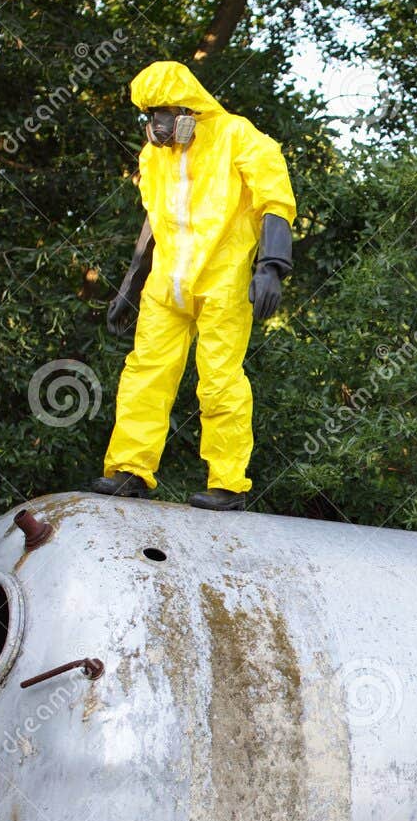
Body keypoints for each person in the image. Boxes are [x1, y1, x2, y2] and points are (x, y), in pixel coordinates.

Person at [91, 60, 296, 511]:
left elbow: (274, 197)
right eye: (149, 114)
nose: (156, 124)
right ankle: (130, 471)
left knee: (220, 379)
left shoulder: (236, 136)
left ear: (191, 108)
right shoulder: (154, 156)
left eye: (163, 112)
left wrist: (272, 265)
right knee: (145, 373)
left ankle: (227, 483)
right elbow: (153, 219)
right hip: (166, 284)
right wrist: (130, 284)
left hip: (222, 281)